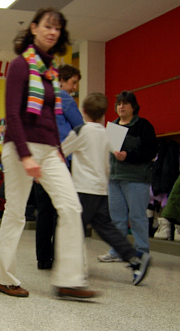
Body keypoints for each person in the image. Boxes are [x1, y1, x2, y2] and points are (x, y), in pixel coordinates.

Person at [0, 8, 96, 299]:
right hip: (19, 147)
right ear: (34, 28)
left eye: (58, 28)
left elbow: (51, 118)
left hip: (50, 150)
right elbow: (12, 115)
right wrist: (26, 155)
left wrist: (56, 152)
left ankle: (68, 280)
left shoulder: (50, 72)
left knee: (70, 207)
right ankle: (6, 278)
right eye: (48, 26)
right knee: (16, 213)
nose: (53, 32)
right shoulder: (20, 65)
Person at [62, 92, 151, 285]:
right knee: (106, 228)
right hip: (101, 189)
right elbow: (114, 155)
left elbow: (62, 152)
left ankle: (72, 270)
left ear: (83, 111)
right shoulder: (107, 132)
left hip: (83, 190)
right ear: (103, 114)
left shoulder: (79, 131)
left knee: (74, 228)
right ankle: (135, 259)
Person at [33, 64, 84, 270]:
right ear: (61, 80)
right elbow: (80, 129)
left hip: (39, 161)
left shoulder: (39, 99)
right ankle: (59, 257)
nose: (74, 88)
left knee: (44, 211)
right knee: (61, 211)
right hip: (59, 162)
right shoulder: (65, 98)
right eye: (73, 82)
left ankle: (43, 258)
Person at [98, 90, 157, 263]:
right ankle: (117, 251)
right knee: (116, 218)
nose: (121, 106)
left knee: (137, 216)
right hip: (114, 178)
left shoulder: (143, 126)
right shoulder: (113, 127)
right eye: (118, 104)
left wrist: (128, 155)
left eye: (125, 103)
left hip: (136, 179)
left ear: (134, 106)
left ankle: (141, 252)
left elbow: (150, 151)